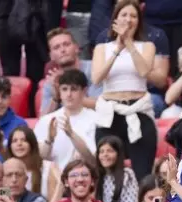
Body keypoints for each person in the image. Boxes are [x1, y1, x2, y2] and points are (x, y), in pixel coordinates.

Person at [91, 0, 157, 180]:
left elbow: (144, 71)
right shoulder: (102, 48)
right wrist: (117, 49)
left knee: (142, 172)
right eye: (124, 15)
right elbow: (96, 78)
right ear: (115, 19)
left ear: (139, 21)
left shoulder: (147, 46)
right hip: (110, 113)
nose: (128, 20)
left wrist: (128, 43)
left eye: (133, 16)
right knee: (108, 173)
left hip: (139, 110)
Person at [35, 69, 98, 172]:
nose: (68, 94)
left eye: (74, 89)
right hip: (52, 181)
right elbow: (40, 157)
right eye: (64, 89)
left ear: (84, 91)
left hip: (84, 180)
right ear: (59, 91)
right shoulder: (47, 120)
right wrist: (49, 140)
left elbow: (93, 160)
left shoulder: (96, 119)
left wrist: (71, 134)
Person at [40, 28, 103, 116]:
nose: (62, 50)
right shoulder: (52, 82)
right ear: (51, 56)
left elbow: (101, 105)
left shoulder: (94, 69)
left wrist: (65, 94)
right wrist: (56, 97)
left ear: (77, 48)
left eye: (66, 44)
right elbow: (43, 119)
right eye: (56, 47)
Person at [6, 127, 61, 202]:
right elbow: (2, 195)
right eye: (14, 141)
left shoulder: (48, 168)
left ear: (32, 144)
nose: (19, 144)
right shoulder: (5, 169)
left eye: (24, 140)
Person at [95, 135, 139, 202]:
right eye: (101, 151)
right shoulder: (98, 177)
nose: (105, 154)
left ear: (118, 154)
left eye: (110, 151)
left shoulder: (127, 174)